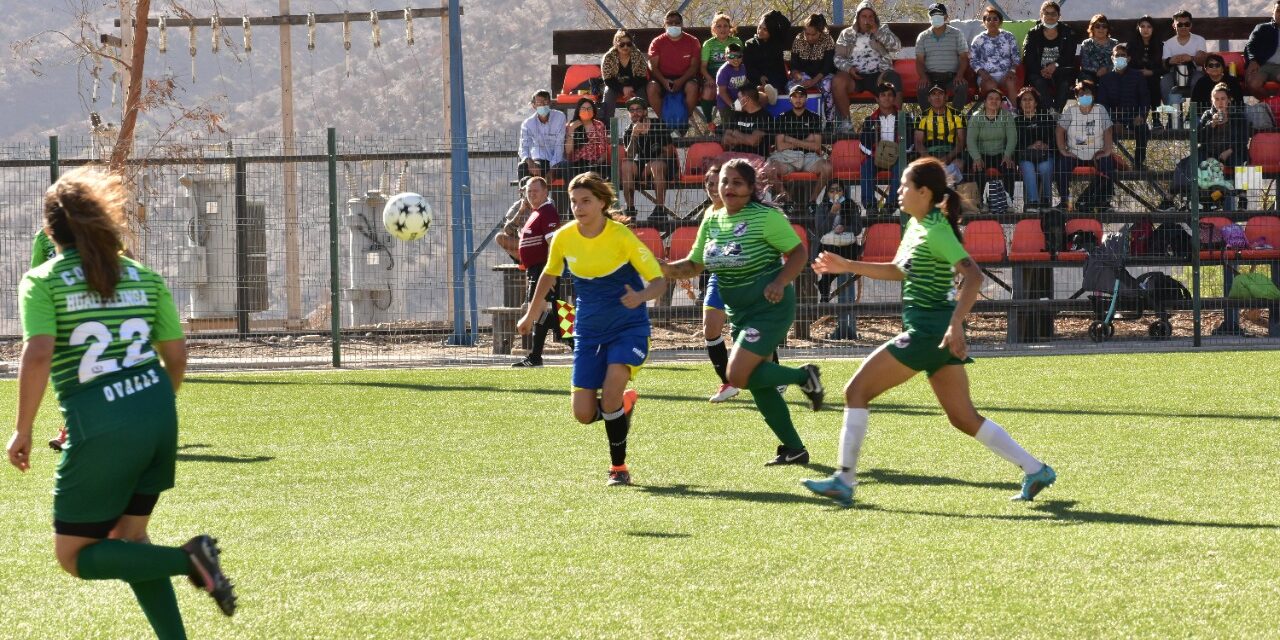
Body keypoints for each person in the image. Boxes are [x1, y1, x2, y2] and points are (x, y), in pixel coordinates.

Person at [7, 168, 237, 637]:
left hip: (102, 424)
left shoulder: (44, 281)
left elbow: (39, 353)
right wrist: (149, 408)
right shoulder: (143, 278)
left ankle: (189, 558)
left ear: (50, 230)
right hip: (158, 415)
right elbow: (176, 356)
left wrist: (23, 428)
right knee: (131, 540)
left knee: (74, 556)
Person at [801, 157, 1056, 508]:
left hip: (927, 332)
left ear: (924, 192)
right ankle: (1035, 469)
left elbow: (974, 276)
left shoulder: (935, 229)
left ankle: (844, 480)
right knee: (963, 417)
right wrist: (847, 265)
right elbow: (898, 270)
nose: (900, 192)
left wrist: (954, 325)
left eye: (905, 186)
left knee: (856, 391)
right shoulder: (917, 225)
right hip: (935, 333)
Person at [659, 159, 825, 465]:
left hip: (770, 308)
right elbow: (696, 264)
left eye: (737, 182)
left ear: (751, 188)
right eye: (724, 181)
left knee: (736, 374)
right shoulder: (711, 218)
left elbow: (799, 252)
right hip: (740, 312)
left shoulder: (765, 217)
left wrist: (780, 281)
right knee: (757, 384)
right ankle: (794, 449)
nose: (728, 188)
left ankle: (804, 376)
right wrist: (666, 269)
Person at [516, 172, 667, 486]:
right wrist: (531, 314)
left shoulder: (622, 237)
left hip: (629, 327)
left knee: (611, 390)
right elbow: (548, 276)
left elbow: (658, 281)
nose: (578, 207)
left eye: (586, 200)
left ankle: (619, 468)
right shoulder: (564, 237)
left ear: (602, 202)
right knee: (584, 414)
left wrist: (639, 296)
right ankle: (621, 408)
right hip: (587, 330)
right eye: (574, 201)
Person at [509, 177, 564, 368]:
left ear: (545, 192)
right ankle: (536, 356)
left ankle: (536, 356)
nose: (531, 194)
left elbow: (553, 243)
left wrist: (552, 271)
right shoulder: (537, 212)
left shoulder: (547, 212)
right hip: (537, 269)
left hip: (544, 269)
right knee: (547, 312)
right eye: (528, 191)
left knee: (543, 312)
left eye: (535, 191)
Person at [832, 0, 904, 130]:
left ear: (875, 18)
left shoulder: (882, 29)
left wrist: (877, 32)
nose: (867, 20)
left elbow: (897, 46)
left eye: (871, 16)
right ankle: (847, 124)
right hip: (855, 76)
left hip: (879, 75)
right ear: (858, 18)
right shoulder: (847, 34)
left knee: (894, 78)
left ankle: (896, 123)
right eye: (864, 16)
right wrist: (848, 69)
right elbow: (837, 58)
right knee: (837, 81)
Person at [1055, 80, 1116, 212]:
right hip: (1075, 153)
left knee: (1108, 165)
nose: (1084, 96)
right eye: (1081, 94)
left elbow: (1108, 130)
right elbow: (1059, 129)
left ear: (1093, 95)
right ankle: (1065, 201)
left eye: (1087, 93)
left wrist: (1107, 151)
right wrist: (1062, 150)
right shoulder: (1070, 111)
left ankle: (1103, 202)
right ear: (1076, 97)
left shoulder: (1100, 109)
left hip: (1096, 153)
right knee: (1061, 167)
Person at [768, 85, 832, 207]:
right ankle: (788, 201)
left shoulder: (814, 117)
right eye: (795, 96)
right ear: (790, 99)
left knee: (828, 167)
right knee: (769, 169)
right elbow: (780, 146)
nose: (798, 99)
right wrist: (807, 141)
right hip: (787, 157)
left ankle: (812, 202)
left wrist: (790, 139)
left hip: (808, 157)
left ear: (806, 99)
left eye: (801, 96)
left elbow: (817, 146)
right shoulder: (782, 118)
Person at [619, 97, 676, 220]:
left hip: (662, 166)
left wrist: (649, 165)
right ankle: (630, 210)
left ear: (645, 111)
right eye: (632, 110)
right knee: (626, 165)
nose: (635, 113)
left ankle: (660, 210)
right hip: (642, 166)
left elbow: (669, 152)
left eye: (638, 109)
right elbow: (630, 155)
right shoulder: (629, 130)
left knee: (656, 165)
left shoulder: (658, 124)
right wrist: (635, 134)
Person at [1098, 44, 1152, 169]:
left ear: (1128, 58)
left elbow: (1145, 98)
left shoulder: (1137, 76)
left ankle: (1138, 162)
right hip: (1113, 118)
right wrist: (1113, 120)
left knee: (1143, 129)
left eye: (1123, 55)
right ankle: (1105, 163)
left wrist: (1141, 115)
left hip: (1133, 115)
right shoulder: (1105, 79)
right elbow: (1102, 103)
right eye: (1117, 56)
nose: (1120, 58)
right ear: (1112, 58)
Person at [1023, 1, 1080, 112]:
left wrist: (1055, 65)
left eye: (1053, 14)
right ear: (1041, 15)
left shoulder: (1067, 32)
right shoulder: (1033, 33)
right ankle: (1052, 114)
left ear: (1059, 16)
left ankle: (1054, 113)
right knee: (1039, 83)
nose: (1050, 16)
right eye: (1046, 13)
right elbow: (1028, 57)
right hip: (1039, 72)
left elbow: (1069, 54)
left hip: (1061, 71)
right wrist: (1042, 71)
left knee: (1064, 85)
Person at [858, 83, 904, 215]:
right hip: (875, 157)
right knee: (866, 166)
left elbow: (910, 143)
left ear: (894, 98)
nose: (886, 98)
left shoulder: (904, 118)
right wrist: (876, 154)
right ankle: (870, 205)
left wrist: (897, 153)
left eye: (890, 95)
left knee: (901, 167)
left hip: (897, 157)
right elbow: (863, 144)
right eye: (883, 95)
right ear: (877, 99)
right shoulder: (869, 120)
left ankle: (890, 205)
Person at [966, 89, 1017, 206]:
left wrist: (1008, 155)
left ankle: (1009, 201)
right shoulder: (976, 118)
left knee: (1009, 168)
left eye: (997, 99)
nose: (994, 101)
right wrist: (976, 158)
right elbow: (970, 140)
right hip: (981, 154)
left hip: (1001, 154)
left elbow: (1012, 138)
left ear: (1001, 102)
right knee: (978, 169)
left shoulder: (1007, 116)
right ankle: (979, 203)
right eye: (991, 98)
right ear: (985, 102)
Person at [914, 3, 970, 111]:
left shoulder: (957, 34)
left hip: (951, 77)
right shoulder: (923, 36)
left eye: (939, 14)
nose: (935, 17)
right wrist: (923, 76)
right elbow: (919, 61)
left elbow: (963, 57)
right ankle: (928, 118)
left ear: (946, 16)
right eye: (932, 15)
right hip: (930, 76)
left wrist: (959, 75)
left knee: (962, 86)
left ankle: (954, 117)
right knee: (922, 88)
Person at [647, 11, 701, 122]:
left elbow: (694, 67)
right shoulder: (657, 42)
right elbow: (653, 67)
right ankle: (664, 122)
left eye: (677, 22)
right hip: (662, 77)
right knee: (651, 87)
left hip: (686, 77)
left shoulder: (693, 41)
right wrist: (664, 81)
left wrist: (680, 81)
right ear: (664, 25)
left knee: (693, 87)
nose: (674, 25)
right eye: (670, 23)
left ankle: (683, 121)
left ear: (682, 24)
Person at [914, 83, 968, 186]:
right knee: (921, 167)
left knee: (959, 164)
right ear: (929, 98)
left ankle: (949, 194)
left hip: (951, 153)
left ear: (946, 97)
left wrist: (948, 157)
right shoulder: (921, 117)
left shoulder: (958, 116)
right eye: (934, 94)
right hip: (929, 153)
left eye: (940, 94)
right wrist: (929, 158)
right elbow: (918, 142)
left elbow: (961, 142)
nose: (937, 97)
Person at [1014, 87, 1058, 211]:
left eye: (1030, 99)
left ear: (1036, 103)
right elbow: (1013, 144)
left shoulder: (1046, 118)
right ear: (1020, 103)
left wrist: (1046, 145)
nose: (1027, 102)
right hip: (1025, 156)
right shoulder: (1016, 122)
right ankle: (1032, 202)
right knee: (1028, 168)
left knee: (1045, 168)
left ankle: (1045, 201)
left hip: (1045, 154)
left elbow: (1056, 139)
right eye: (1024, 100)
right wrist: (1029, 146)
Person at [969, 7, 1021, 106]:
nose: (992, 22)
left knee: (1011, 82)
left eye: (995, 19)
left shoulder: (1009, 37)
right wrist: (982, 73)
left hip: (1006, 74)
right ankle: (993, 114)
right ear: (984, 23)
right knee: (990, 85)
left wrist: (1012, 70)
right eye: (988, 19)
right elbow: (973, 60)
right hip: (986, 75)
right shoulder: (978, 39)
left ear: (1000, 22)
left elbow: (1016, 56)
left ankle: (1014, 114)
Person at [789, 14, 837, 121]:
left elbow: (828, 67)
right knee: (792, 88)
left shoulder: (828, 40)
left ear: (820, 32)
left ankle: (829, 121)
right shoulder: (798, 39)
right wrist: (798, 77)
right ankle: (797, 119)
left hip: (822, 76)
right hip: (804, 76)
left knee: (829, 86)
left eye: (813, 34)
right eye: (807, 34)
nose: (809, 37)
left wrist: (814, 81)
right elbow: (794, 64)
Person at [700, 13, 743, 126]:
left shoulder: (736, 42)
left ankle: (741, 122)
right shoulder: (708, 44)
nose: (722, 29)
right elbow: (703, 67)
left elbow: (741, 60)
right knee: (709, 91)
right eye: (719, 26)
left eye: (725, 26)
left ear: (730, 28)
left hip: (733, 75)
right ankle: (709, 121)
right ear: (714, 28)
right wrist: (709, 79)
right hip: (714, 76)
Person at [1161, 10, 1208, 111]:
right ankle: (1172, 116)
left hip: (1195, 72)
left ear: (1191, 25)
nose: (1183, 27)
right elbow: (1164, 65)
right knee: (1165, 82)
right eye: (1180, 24)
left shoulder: (1199, 40)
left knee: (1199, 80)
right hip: (1174, 73)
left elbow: (1202, 60)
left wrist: (1191, 58)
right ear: (1174, 25)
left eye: (1186, 24)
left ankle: (1196, 113)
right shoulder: (1168, 43)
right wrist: (1170, 61)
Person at [601, 29, 649, 123]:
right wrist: (622, 89)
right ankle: (607, 126)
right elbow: (608, 79)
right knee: (608, 93)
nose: (625, 47)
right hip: (615, 86)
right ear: (616, 44)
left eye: (628, 44)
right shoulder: (608, 57)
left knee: (641, 95)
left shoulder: (638, 55)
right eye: (622, 44)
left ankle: (641, 125)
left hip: (635, 86)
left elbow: (642, 77)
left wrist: (631, 88)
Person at [743, 10, 791, 104]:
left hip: (775, 77)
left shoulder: (777, 41)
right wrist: (759, 77)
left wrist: (774, 14)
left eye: (765, 29)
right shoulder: (750, 44)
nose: (760, 31)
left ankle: (772, 93)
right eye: (759, 27)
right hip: (757, 77)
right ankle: (768, 94)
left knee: (775, 81)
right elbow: (748, 66)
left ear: (772, 31)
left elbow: (786, 24)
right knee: (755, 87)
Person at [518, 90, 566, 180]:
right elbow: (523, 147)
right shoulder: (528, 123)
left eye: (545, 102)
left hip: (557, 161)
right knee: (523, 167)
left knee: (566, 167)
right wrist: (530, 162)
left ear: (550, 103)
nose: (543, 105)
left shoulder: (559, 117)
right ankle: (524, 193)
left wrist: (552, 170)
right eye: (539, 103)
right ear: (533, 105)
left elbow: (559, 145)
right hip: (539, 160)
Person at [1127, 16, 1165, 127]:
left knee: (1154, 84)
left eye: (1149, 27)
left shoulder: (1159, 46)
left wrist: (1151, 72)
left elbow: (1164, 68)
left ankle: (1156, 119)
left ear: (1153, 29)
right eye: (1142, 26)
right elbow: (1128, 65)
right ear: (1138, 28)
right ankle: (1138, 119)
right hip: (1136, 76)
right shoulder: (1132, 45)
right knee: (1139, 85)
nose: (1145, 29)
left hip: (1153, 76)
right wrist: (1138, 72)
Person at [563, 97, 610, 179]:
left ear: (593, 111)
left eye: (589, 109)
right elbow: (568, 151)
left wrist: (597, 162)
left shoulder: (599, 125)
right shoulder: (571, 125)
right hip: (577, 164)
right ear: (578, 111)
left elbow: (603, 151)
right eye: (583, 109)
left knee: (607, 171)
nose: (586, 111)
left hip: (595, 163)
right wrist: (571, 130)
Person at [1244, 0, 1280, 96]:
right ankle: (1269, 104)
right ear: (1273, 12)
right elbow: (1249, 45)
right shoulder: (1262, 28)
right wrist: (1253, 60)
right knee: (1253, 84)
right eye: (1278, 11)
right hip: (1262, 65)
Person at [715, 43, 749, 123]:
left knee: (744, 125)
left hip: (741, 100)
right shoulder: (723, 71)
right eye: (731, 56)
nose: (735, 59)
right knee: (730, 128)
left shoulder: (743, 67)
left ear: (742, 56)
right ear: (726, 57)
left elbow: (745, 83)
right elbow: (722, 92)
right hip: (726, 104)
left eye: (738, 56)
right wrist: (733, 105)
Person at [1079, 14, 1118, 83]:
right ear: (1092, 28)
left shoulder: (1114, 43)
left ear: (1107, 29)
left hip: (1110, 73)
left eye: (1104, 26)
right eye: (1097, 26)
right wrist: (1097, 70)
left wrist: (1106, 69)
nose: (1101, 29)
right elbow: (1084, 64)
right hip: (1091, 75)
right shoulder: (1086, 43)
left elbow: (1117, 61)